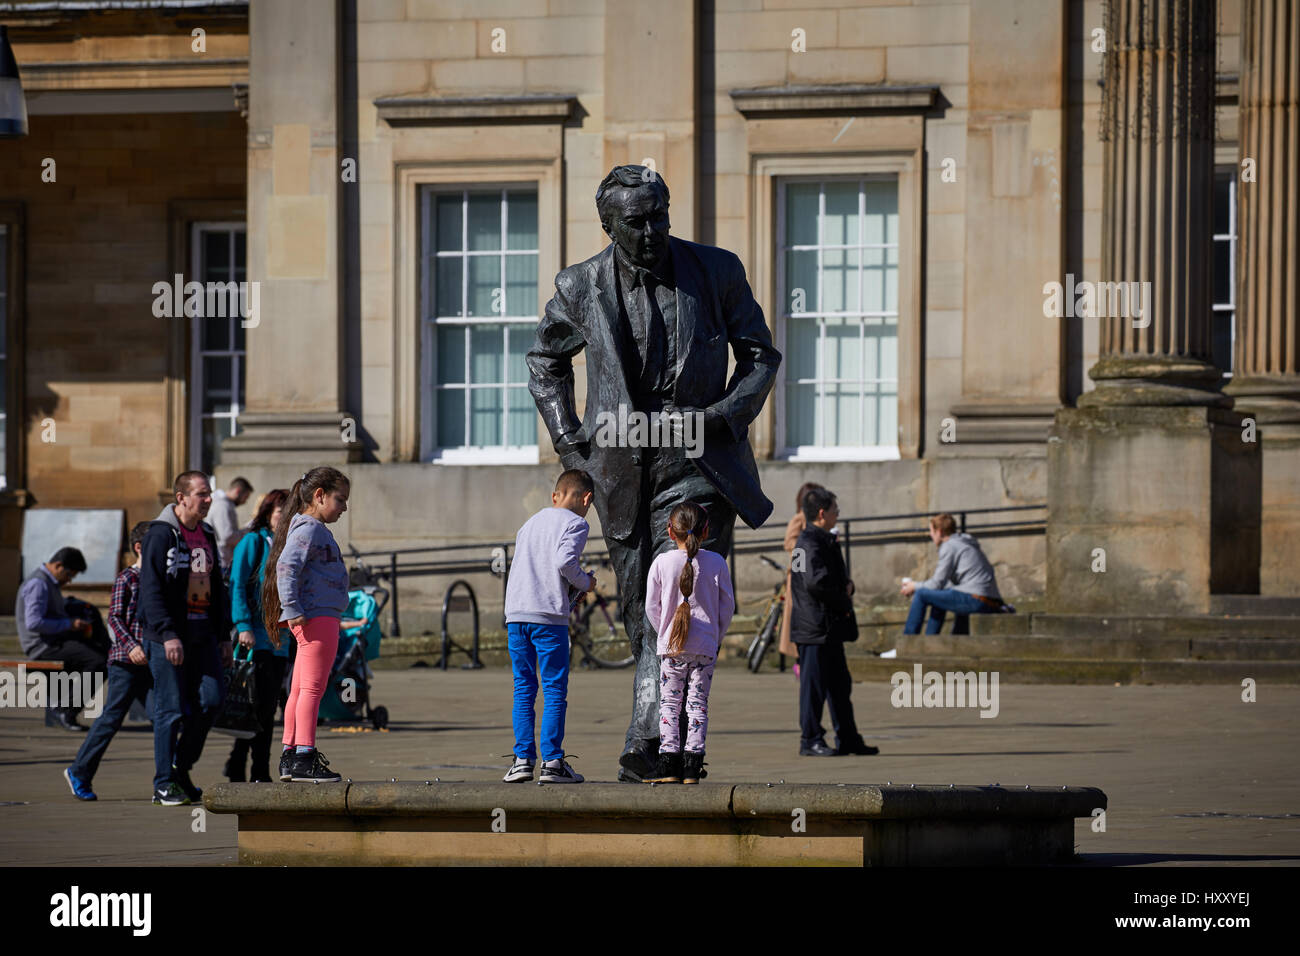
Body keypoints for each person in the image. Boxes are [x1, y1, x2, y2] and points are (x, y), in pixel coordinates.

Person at [528, 164, 781, 782]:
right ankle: (670, 741)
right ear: (609, 226)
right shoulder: (580, 284)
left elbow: (759, 354)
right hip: (620, 466)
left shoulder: (717, 270)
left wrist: (725, 415)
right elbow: (545, 362)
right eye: (636, 222)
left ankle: (651, 743)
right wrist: (571, 445)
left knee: (681, 604)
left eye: (660, 215)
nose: (652, 231)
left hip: (698, 463)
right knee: (646, 606)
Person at [139, 471, 233, 805]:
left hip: (203, 634)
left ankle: (180, 767)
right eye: (202, 494)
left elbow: (218, 587)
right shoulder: (161, 535)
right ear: (182, 498)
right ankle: (163, 782)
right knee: (171, 709)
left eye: (209, 494)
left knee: (212, 700)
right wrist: (167, 634)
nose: (208, 500)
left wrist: (224, 635)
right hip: (168, 637)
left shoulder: (206, 532)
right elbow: (149, 589)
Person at [501, 469, 596, 785]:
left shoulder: (529, 524)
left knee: (523, 687)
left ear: (556, 495)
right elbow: (564, 561)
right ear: (586, 499)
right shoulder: (576, 523)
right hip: (547, 617)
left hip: (516, 614)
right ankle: (553, 762)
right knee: (555, 689)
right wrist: (585, 582)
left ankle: (522, 760)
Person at [262, 467, 351, 784]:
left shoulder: (307, 528)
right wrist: (293, 607)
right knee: (312, 689)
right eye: (339, 500)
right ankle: (304, 756)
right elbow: (287, 567)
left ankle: (290, 754)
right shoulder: (310, 528)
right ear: (319, 495)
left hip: (314, 615)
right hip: (318, 617)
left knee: (299, 688)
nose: (343, 508)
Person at [63, 523, 155, 800]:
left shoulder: (160, 580)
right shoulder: (127, 578)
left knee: (165, 719)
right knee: (111, 718)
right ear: (139, 548)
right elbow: (114, 617)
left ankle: (171, 779)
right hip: (125, 663)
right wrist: (132, 646)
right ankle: (79, 771)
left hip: (152, 662)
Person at [643, 502, 733, 784]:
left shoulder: (661, 562)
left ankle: (668, 763)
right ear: (706, 530)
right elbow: (726, 606)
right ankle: (693, 765)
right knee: (698, 704)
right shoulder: (717, 562)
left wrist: (666, 633)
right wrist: (715, 636)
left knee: (670, 703)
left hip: (672, 647)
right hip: (704, 646)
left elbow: (651, 607)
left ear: (671, 531)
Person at [789, 487, 877, 758]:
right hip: (815, 627)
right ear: (822, 513)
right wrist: (844, 592)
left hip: (824, 627)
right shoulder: (810, 543)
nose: (839, 514)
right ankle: (810, 739)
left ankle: (848, 737)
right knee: (813, 689)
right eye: (836, 510)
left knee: (840, 686)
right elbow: (816, 583)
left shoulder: (815, 540)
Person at [223, 488, 291, 783]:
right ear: (267, 513)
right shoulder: (253, 541)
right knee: (257, 706)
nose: (284, 518)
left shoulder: (290, 544)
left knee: (266, 707)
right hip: (256, 638)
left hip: (282, 639)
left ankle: (239, 762)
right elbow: (237, 584)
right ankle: (258, 769)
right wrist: (243, 625)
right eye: (280, 512)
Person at [17, 546, 103, 731]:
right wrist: (69, 624)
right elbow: (34, 622)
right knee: (98, 661)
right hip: (42, 646)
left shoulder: (48, 583)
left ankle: (65, 708)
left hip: (53, 642)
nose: (69, 580)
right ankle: (66, 710)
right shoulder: (38, 584)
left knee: (97, 652)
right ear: (58, 566)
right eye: (70, 574)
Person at [901, 513, 1005, 635]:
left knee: (921, 594)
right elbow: (943, 586)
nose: (930, 535)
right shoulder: (964, 544)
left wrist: (914, 586)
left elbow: (936, 583)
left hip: (977, 599)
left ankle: (907, 642)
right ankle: (930, 642)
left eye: (931, 531)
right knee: (937, 597)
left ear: (939, 532)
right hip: (990, 602)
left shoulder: (949, 546)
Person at [778, 482, 825, 675]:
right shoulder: (800, 518)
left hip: (813, 572)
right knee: (797, 616)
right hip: (799, 575)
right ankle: (799, 660)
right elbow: (790, 543)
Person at [210, 476, 254, 575]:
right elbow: (227, 537)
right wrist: (247, 532)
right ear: (238, 491)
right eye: (245, 497)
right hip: (221, 560)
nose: (244, 502)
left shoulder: (225, 504)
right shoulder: (222, 505)